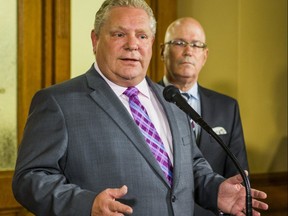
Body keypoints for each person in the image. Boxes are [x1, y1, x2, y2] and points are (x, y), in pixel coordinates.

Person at [12, 0, 268, 215]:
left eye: (142, 36)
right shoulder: (58, 101)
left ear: (151, 42)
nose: (132, 44)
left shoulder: (172, 99)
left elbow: (191, 166)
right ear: (95, 39)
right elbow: (30, 178)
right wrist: (85, 204)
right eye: (119, 34)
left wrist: (216, 190)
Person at [158, 17, 250, 216]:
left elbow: (238, 174)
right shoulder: (146, 103)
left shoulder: (227, 107)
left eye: (196, 45)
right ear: (162, 51)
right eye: (179, 43)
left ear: (205, 55)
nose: (188, 51)